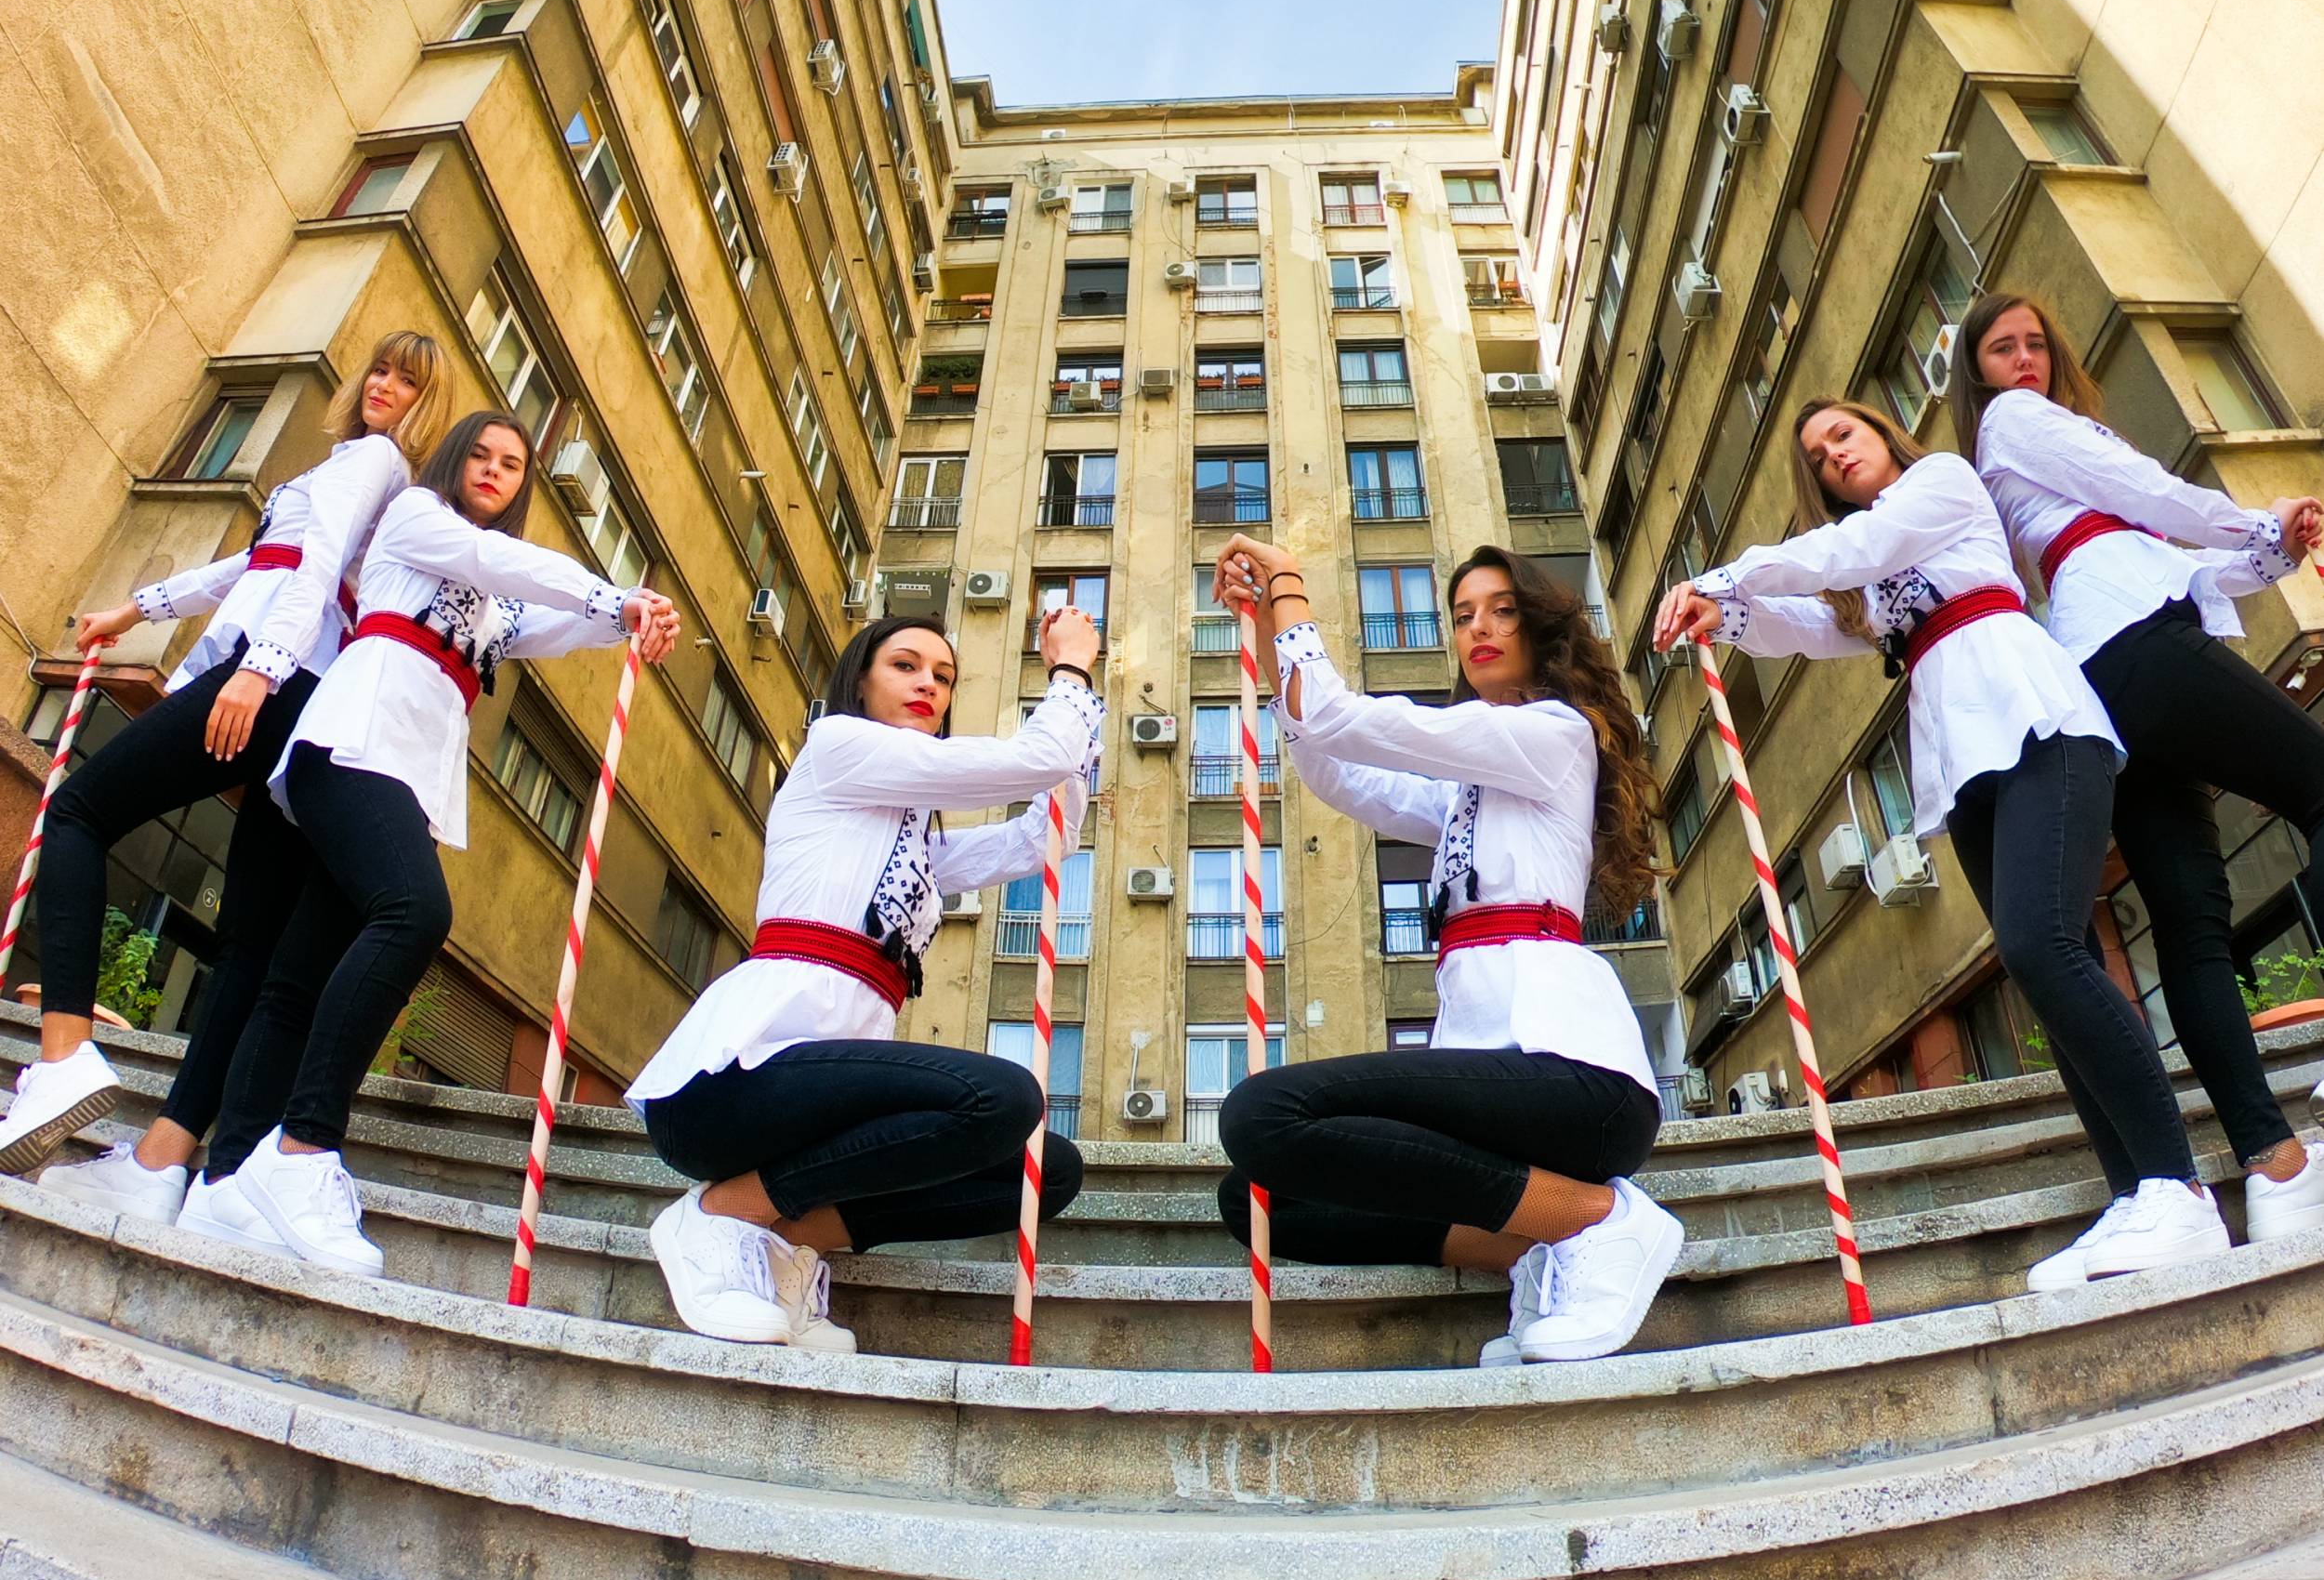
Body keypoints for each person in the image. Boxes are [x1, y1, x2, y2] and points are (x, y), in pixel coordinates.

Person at [1656, 398, 2234, 1290]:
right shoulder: (1874, 573)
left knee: (2043, 946)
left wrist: (1722, 577)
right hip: (1961, 756)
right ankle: (2134, 1196)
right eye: (1817, 458)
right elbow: (1816, 626)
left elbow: (1847, 552)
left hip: (2034, 716)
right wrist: (1723, 618)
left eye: (1842, 434)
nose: (1833, 456)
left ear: (1882, 432)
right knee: (2050, 966)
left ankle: (2177, 1189)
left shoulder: (1941, 484)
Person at [178, 409, 679, 1275]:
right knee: (414, 913)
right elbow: (502, 561)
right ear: (453, 460)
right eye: (479, 454)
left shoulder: (487, 604)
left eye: (512, 463)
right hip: (352, 743)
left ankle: (224, 1184)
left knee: (300, 973)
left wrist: (629, 619)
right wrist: (614, 595)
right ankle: (302, 1151)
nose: (493, 470)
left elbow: (545, 621)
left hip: (408, 777)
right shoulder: (417, 518)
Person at [1209, 536, 1678, 1365]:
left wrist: (1288, 585)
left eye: (1502, 610)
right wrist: (1268, 633)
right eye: (1463, 616)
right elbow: (1338, 769)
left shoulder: (1553, 733)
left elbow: (1340, 716)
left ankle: (1601, 1221)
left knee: (1261, 1112)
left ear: (1542, 628)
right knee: (1255, 1197)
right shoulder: (1469, 790)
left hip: (1571, 1075)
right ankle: (1537, 1248)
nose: (1479, 629)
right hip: (1490, 1079)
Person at [3, 333, 450, 1189]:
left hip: (279, 674)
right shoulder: (354, 468)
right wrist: (135, 609)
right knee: (247, 939)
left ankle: (62, 1055)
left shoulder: (373, 461)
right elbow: (257, 562)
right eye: (381, 369)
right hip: (303, 692)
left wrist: (259, 669)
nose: (385, 386)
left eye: (408, 381)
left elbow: (316, 569)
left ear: (424, 405)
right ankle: (162, 1161)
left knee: (79, 813)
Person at [1952, 291, 2324, 1264]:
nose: (2025, 358)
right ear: (1977, 372)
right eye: (2002, 347)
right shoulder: (2017, 421)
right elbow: (2146, 490)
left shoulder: (2044, 475)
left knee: (2193, 930)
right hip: (2134, 644)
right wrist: (2252, 519)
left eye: (2037, 342)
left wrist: (2270, 546)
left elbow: (2174, 559)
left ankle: (2276, 1170)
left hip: (2115, 669)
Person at [625, 610, 1103, 1354]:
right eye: (905, 666)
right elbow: (1033, 760)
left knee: (1047, 1170)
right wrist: (1069, 673)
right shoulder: (837, 746)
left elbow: (1043, 837)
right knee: (1003, 1096)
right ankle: (719, 1216)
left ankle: (789, 1243)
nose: (928, 685)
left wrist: (1081, 721)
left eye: (943, 677)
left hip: (830, 1106)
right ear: (861, 679)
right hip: (734, 1083)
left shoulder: (917, 845)